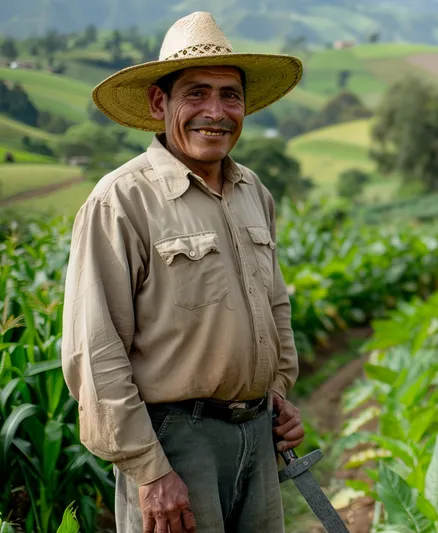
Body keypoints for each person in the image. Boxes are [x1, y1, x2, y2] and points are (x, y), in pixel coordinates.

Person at [60, 11, 305, 533]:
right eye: (196, 93)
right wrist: (150, 472)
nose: (215, 112)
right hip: (175, 444)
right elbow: (95, 350)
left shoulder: (252, 192)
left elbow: (274, 304)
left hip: (256, 436)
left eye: (230, 95)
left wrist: (279, 391)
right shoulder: (122, 200)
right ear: (159, 103)